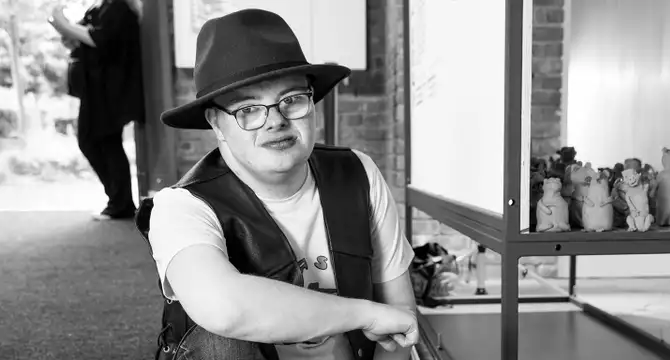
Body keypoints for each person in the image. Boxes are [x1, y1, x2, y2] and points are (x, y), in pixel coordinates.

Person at [133, 9, 418, 360]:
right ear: (216, 123)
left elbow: (399, 321)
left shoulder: (358, 173)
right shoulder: (181, 206)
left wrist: (384, 322)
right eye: (248, 109)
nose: (276, 121)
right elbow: (223, 307)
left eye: (292, 100)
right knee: (217, 342)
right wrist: (365, 315)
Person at [48, 0, 144, 220]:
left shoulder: (118, 7)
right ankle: (118, 201)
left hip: (109, 88)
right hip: (95, 88)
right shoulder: (99, 7)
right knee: (95, 141)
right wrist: (63, 28)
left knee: (103, 141)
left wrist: (65, 24)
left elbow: (100, 39)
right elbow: (82, 40)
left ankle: (120, 203)